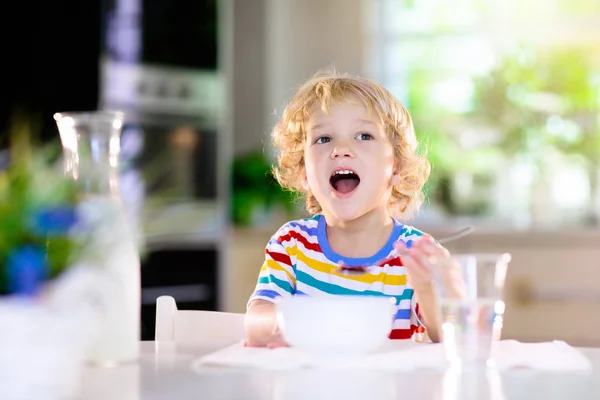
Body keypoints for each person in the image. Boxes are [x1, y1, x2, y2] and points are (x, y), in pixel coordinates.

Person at [245, 69, 454, 347]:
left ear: (398, 167)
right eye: (323, 139)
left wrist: (430, 292)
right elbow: (256, 321)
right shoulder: (292, 245)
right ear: (304, 172)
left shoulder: (415, 256)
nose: (340, 149)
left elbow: (456, 337)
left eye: (364, 136)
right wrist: (302, 325)